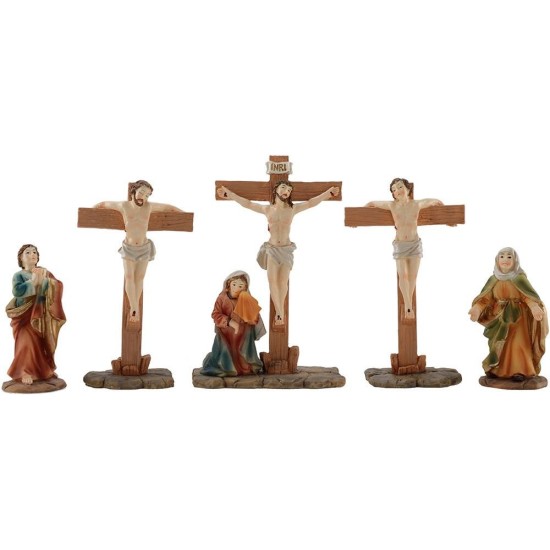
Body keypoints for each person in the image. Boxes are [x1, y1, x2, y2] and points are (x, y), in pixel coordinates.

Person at [218, 181, 339, 326]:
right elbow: (248, 204)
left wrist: (328, 193)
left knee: (282, 282)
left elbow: (310, 203)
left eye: (289, 190)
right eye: (283, 188)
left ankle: (280, 311)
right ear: (276, 190)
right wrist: (229, 194)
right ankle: (279, 313)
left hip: (286, 250)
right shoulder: (267, 209)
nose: (286, 191)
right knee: (272, 281)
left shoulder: (292, 209)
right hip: (272, 249)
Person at [95, 180, 183, 327]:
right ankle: (134, 307)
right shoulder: (123, 206)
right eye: (141, 192)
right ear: (134, 191)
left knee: (139, 278)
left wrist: (183, 214)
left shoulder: (149, 207)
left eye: (147, 195)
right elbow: (104, 204)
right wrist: (93, 209)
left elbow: (167, 208)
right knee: (129, 277)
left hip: (144, 247)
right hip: (129, 247)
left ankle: (134, 308)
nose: (144, 197)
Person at [365, 177, 445, 320]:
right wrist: (359, 214)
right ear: (393, 194)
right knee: (403, 276)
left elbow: (432, 201)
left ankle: (409, 307)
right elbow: (372, 203)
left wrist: (440, 205)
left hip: (414, 244)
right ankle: (408, 307)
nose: (398, 190)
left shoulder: (416, 204)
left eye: (400, 186)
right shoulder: (392, 205)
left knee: (413, 277)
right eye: (394, 189)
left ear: (408, 189)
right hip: (401, 245)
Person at [469, 247, 548, 380]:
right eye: (502, 256)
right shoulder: (493, 279)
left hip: (518, 319)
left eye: (509, 257)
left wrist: (534, 307)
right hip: (498, 317)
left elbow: (527, 296)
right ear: (497, 260)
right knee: (498, 344)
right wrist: (477, 308)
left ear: (515, 260)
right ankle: (496, 369)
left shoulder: (519, 278)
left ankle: (520, 371)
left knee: (518, 344)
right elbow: (485, 299)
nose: (505, 259)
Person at [6, 244, 66, 385]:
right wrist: (32, 282)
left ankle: (43, 371)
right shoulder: (19, 275)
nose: (32, 254)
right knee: (25, 341)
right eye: (27, 252)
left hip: (40, 314)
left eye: (34, 252)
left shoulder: (44, 272)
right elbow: (17, 291)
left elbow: (58, 285)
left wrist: (46, 281)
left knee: (41, 343)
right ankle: (24, 371)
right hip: (24, 315)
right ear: (21, 258)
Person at [201, 271, 266, 377]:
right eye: (234, 284)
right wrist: (229, 321)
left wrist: (249, 318)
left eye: (240, 286)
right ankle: (227, 367)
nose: (236, 288)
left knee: (244, 359)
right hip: (226, 333)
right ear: (228, 284)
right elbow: (215, 314)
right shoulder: (222, 298)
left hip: (243, 334)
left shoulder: (245, 298)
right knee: (226, 356)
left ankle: (244, 366)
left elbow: (254, 317)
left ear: (245, 287)